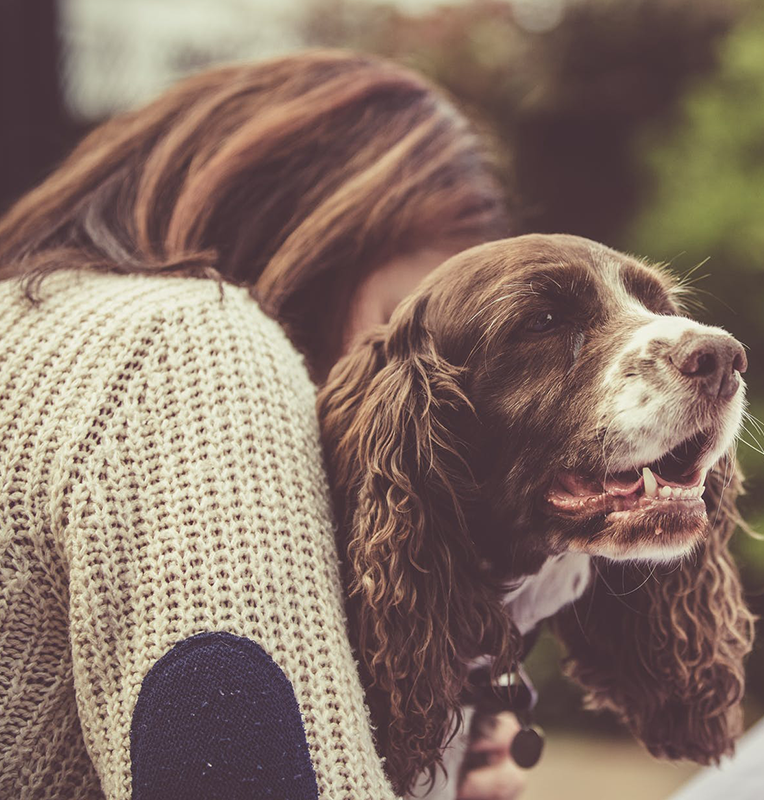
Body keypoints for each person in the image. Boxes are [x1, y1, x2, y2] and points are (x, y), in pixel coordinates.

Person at [0, 50, 527, 800]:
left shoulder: (32, 329)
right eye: (400, 333)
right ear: (306, 247)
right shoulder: (188, 346)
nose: (425, 406)